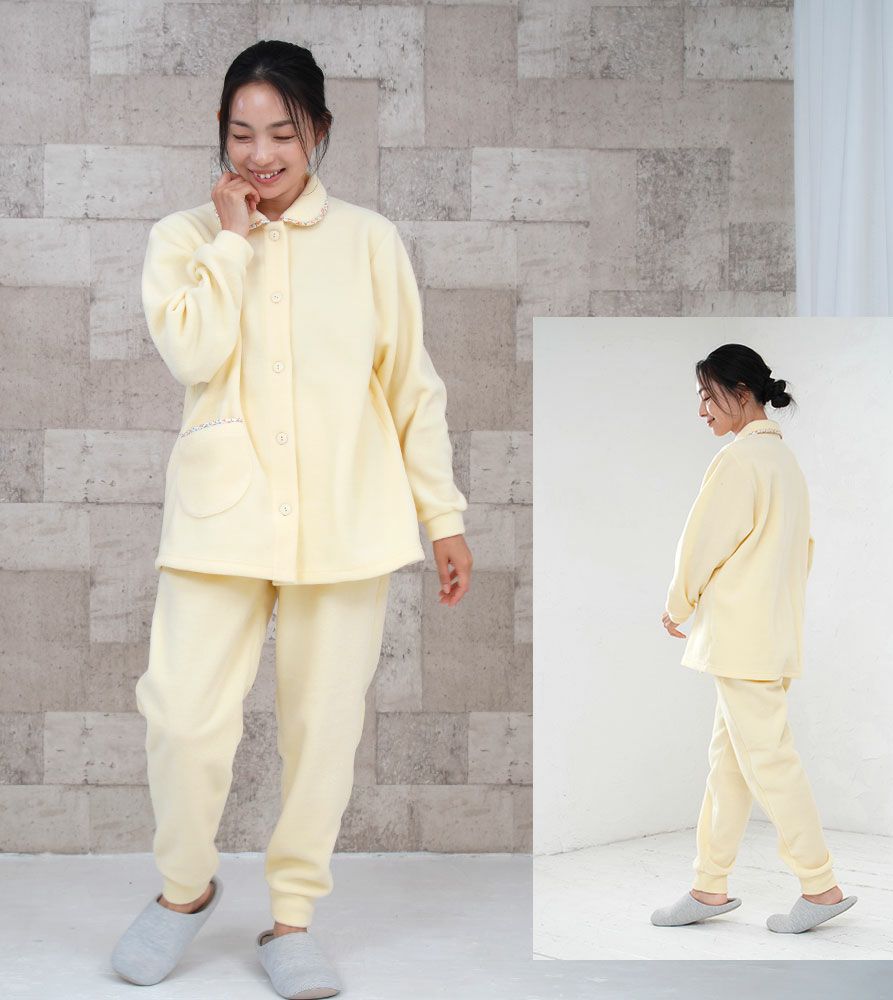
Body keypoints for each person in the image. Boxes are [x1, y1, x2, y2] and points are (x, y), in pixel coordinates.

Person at [110, 40, 473, 998]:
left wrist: (441, 515)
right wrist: (232, 241)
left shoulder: (369, 241)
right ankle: (184, 893)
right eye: (242, 133)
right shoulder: (183, 237)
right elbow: (192, 355)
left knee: (323, 731)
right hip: (219, 516)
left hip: (348, 517)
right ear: (221, 136)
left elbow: (411, 386)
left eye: (283, 132)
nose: (262, 153)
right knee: (182, 717)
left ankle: (293, 918)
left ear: (318, 131)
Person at [650, 344, 857, 935]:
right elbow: (800, 556)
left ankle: (820, 886)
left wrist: (678, 603)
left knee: (768, 761)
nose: (702, 410)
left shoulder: (740, 461)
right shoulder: (784, 463)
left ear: (741, 394)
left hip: (742, 642)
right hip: (771, 637)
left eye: (708, 396)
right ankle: (708, 885)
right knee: (730, 766)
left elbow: (701, 542)